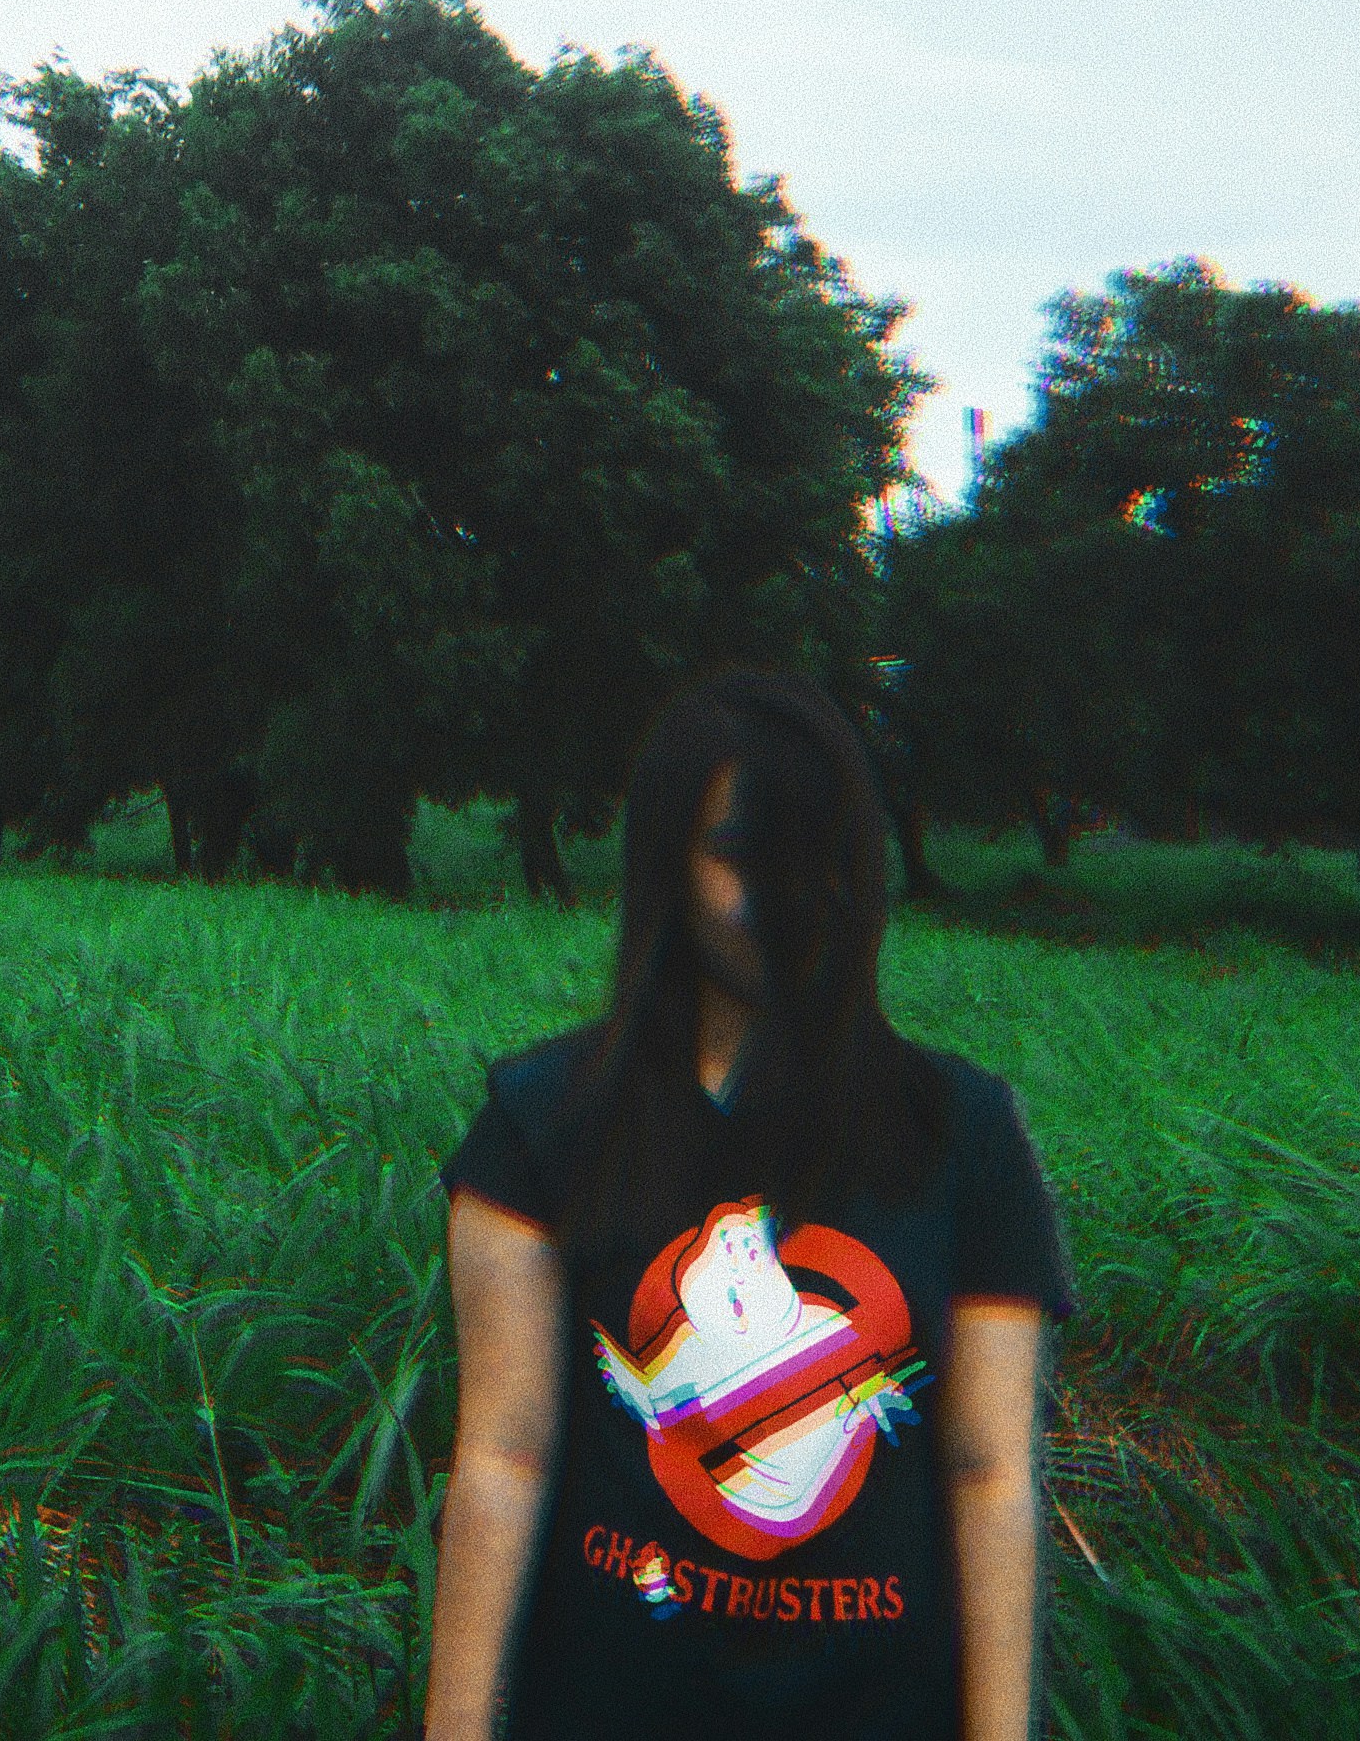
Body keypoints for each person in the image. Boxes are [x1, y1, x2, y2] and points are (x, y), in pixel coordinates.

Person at [427, 670, 1073, 1741]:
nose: (786, 896)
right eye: (739, 855)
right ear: (665, 866)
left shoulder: (963, 1134)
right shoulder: (540, 1124)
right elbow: (503, 1450)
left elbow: (989, 1468)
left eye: (819, 854)